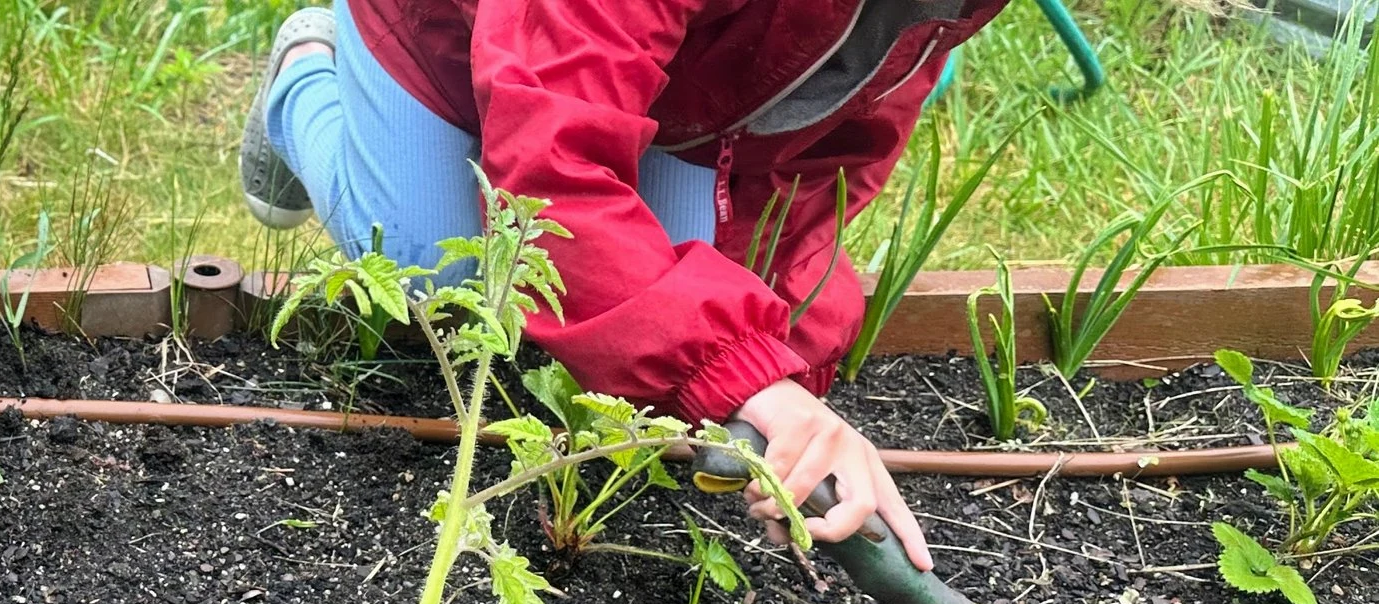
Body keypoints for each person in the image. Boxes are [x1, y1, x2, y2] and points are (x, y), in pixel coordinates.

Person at [240, 0, 1012, 570]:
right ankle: (306, 74)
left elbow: (811, 174)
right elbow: (549, 172)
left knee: (665, 307)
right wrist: (736, 373)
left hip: (646, 86)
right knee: (445, 275)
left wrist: (783, 376)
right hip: (431, 32)